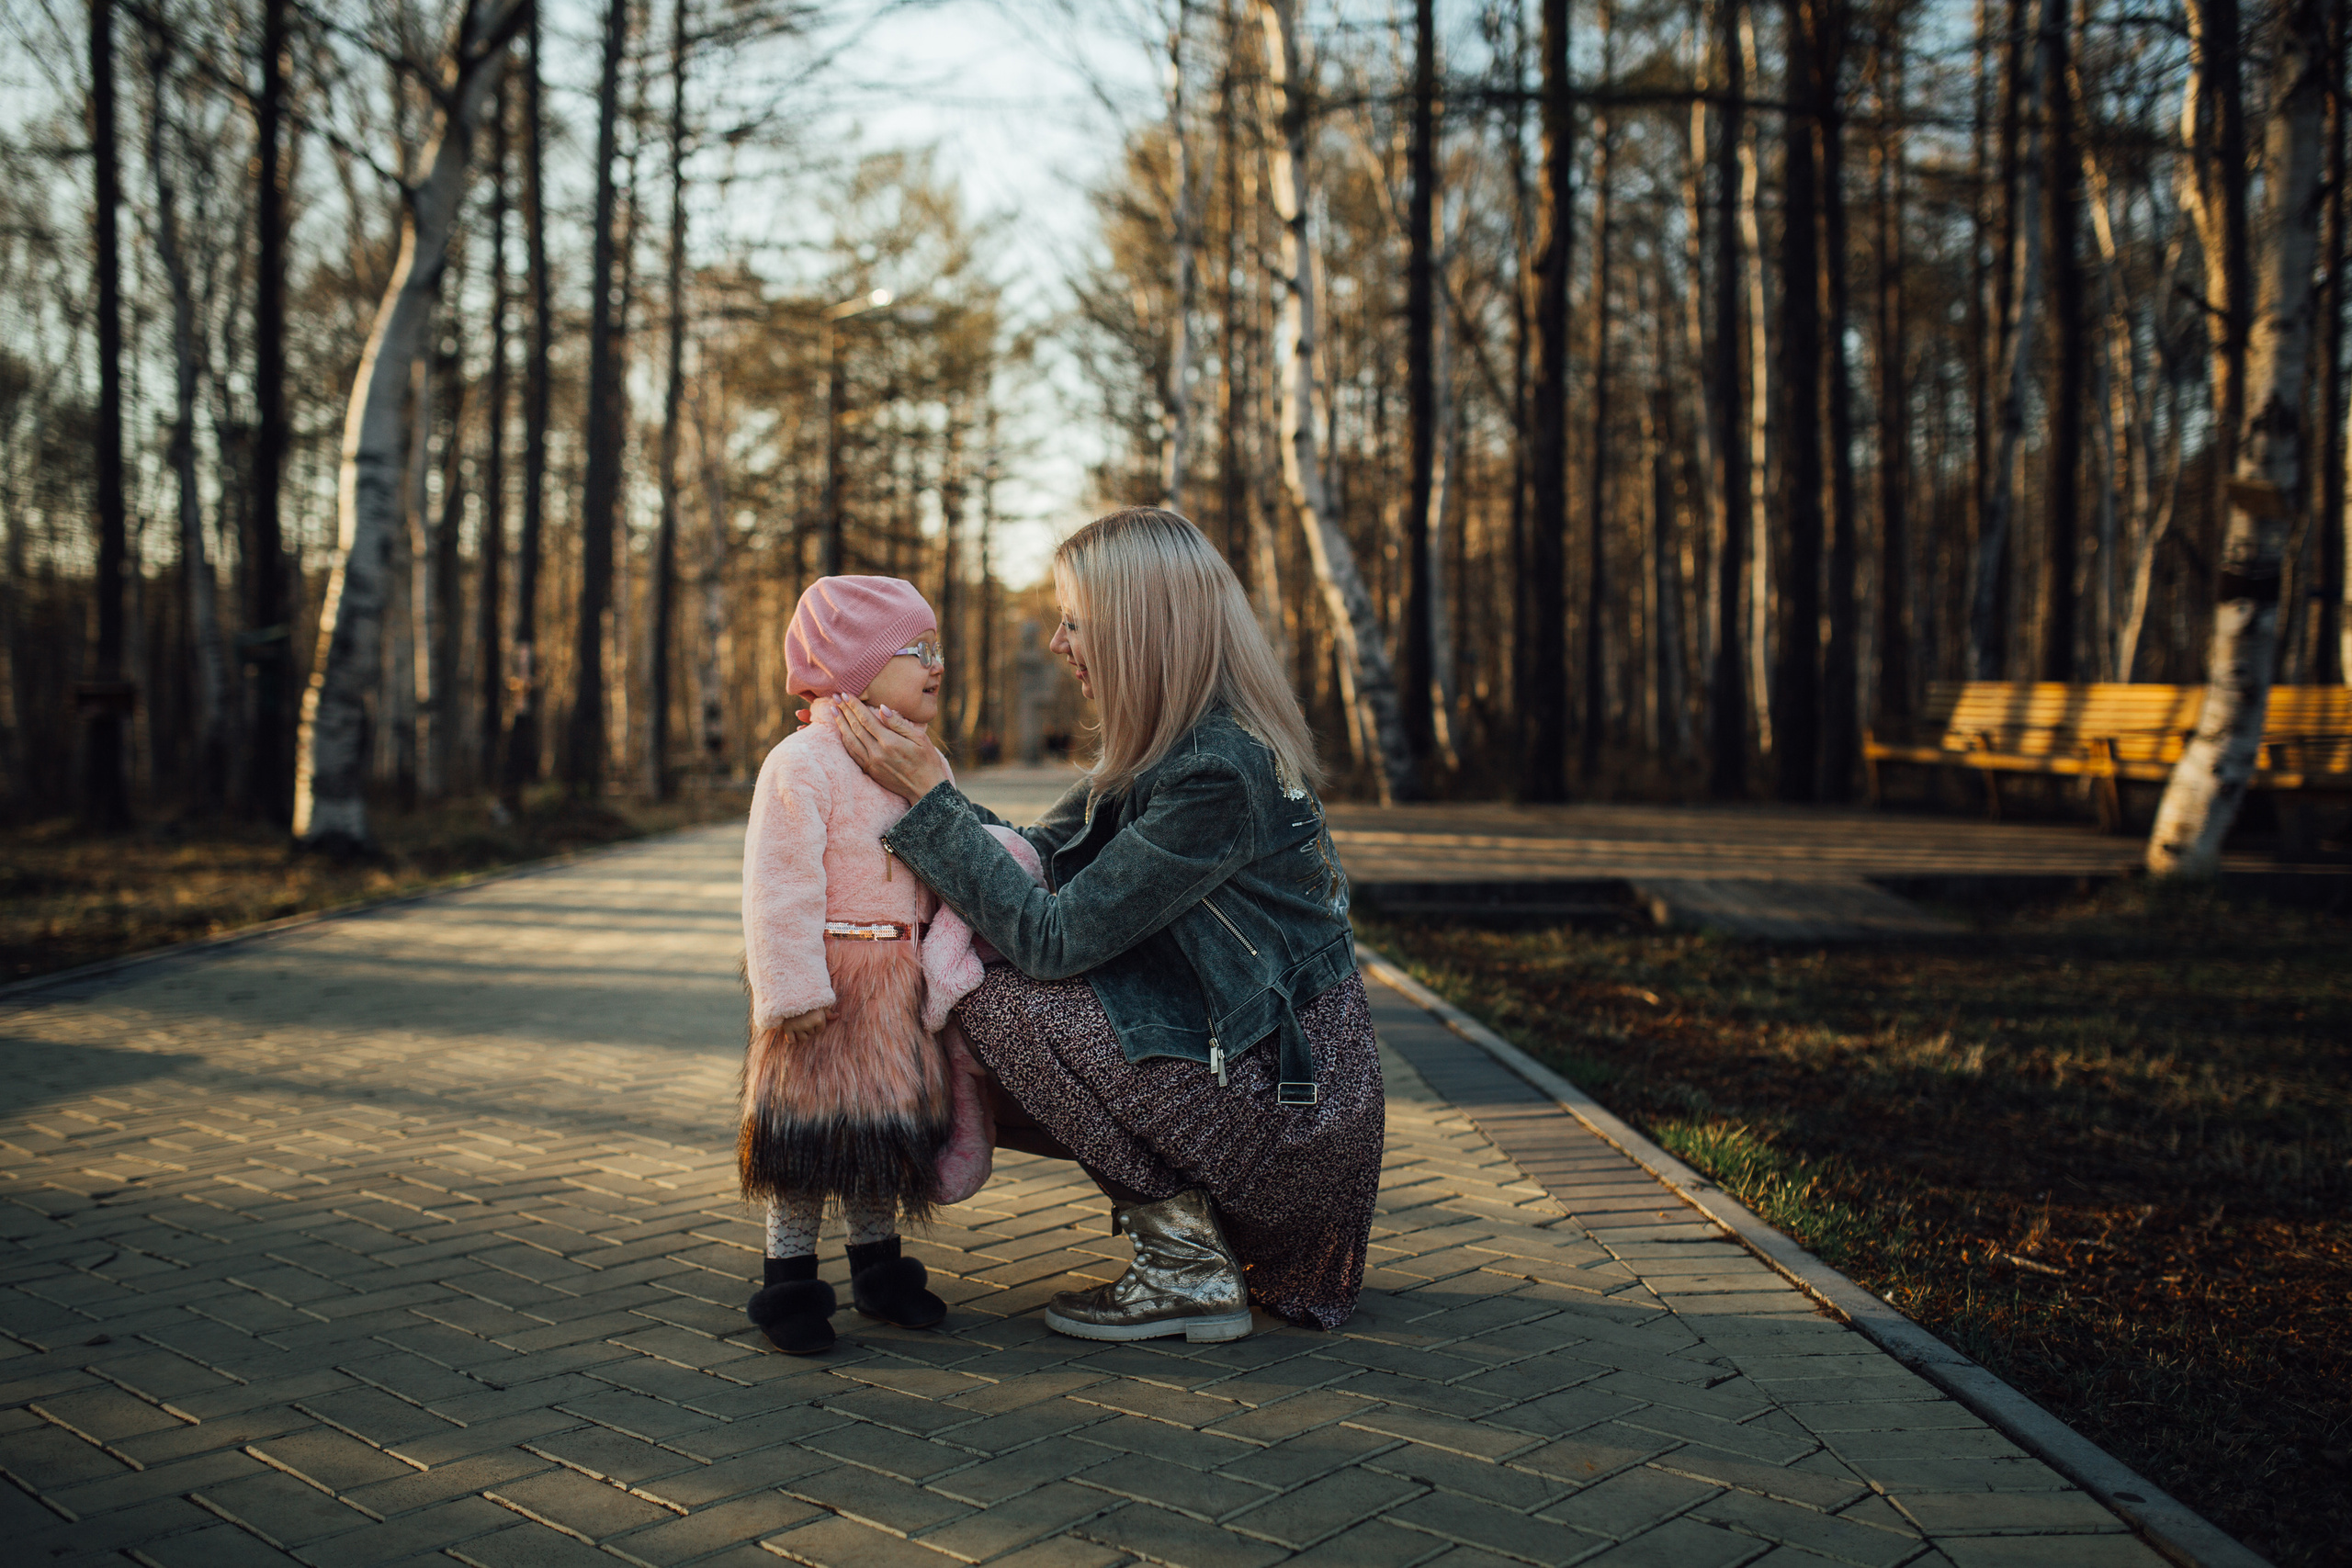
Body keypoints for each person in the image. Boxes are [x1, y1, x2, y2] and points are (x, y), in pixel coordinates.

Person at [831, 507, 1384, 1340]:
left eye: (1074, 622)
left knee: (998, 1002)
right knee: (981, 996)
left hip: (1296, 1121)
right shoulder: (1167, 753)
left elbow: (1050, 936)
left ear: (1139, 631)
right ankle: (1188, 1248)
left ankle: (1184, 1267)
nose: (1058, 642)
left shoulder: (1216, 774)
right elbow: (1027, 855)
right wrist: (912, 782)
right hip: (1259, 1083)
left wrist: (925, 798)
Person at [738, 575, 1014, 1355]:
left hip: (899, 980)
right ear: (856, 665)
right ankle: (787, 1278)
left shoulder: (927, 763)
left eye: (938, 648)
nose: (937, 663)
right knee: (808, 1134)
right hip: (825, 984)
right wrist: (790, 990)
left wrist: (947, 964)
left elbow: (950, 874)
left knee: (886, 1130)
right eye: (915, 649)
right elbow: (779, 884)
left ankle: (879, 1268)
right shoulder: (801, 763)